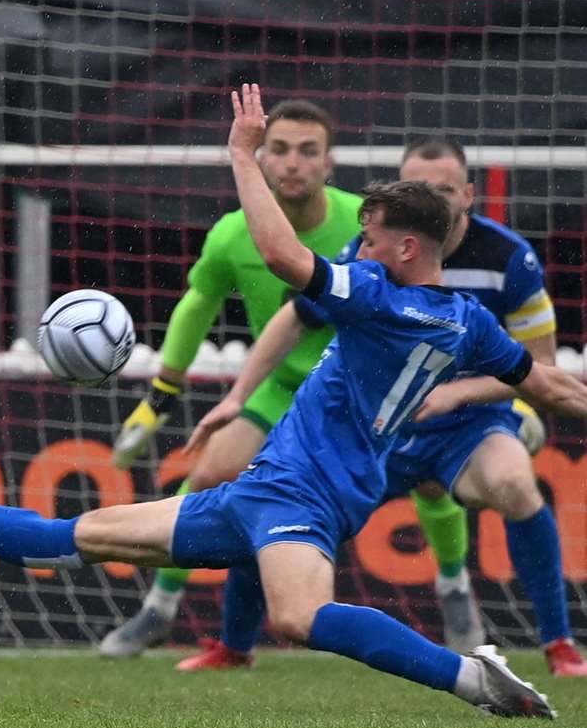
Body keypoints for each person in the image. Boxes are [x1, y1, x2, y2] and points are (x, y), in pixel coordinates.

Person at [0, 84, 587, 718]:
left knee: (298, 617)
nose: (355, 250)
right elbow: (549, 384)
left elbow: (284, 260)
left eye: (366, 241)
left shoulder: (377, 297)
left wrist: (243, 158)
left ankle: (470, 677)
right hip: (269, 489)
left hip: (302, 495)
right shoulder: (468, 320)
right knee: (82, 536)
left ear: (404, 248)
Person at [187, 135, 585, 674]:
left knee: (515, 481)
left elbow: (541, 373)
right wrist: (238, 395)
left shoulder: (511, 260)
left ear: (468, 195)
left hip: (468, 425)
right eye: (420, 187)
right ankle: (234, 645)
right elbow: (299, 314)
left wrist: (455, 392)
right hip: (379, 432)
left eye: (443, 189)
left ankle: (558, 644)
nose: (433, 199)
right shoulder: (370, 259)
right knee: (267, 492)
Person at [103, 102, 473, 662]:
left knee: (428, 477)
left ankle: (454, 589)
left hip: (360, 396)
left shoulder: (369, 224)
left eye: (307, 151)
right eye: (278, 149)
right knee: (208, 473)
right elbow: (197, 306)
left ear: (330, 163)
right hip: (280, 391)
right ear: (263, 158)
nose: (292, 163)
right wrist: (160, 399)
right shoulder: (234, 234)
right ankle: (159, 607)